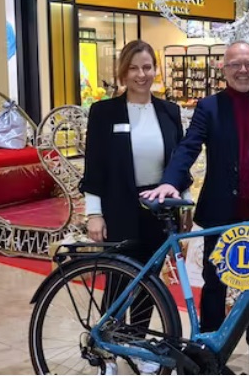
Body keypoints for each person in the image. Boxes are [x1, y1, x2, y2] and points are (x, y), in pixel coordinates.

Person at [142, 41, 249, 371]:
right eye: (235, 64)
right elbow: (189, 146)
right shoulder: (209, 107)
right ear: (223, 70)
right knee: (214, 281)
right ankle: (208, 347)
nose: (243, 70)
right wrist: (171, 179)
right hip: (220, 212)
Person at [79, 40, 189, 364]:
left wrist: (182, 201)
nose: (142, 75)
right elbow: (94, 167)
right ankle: (106, 345)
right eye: (134, 68)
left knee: (149, 283)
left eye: (147, 67)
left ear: (155, 69)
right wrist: (94, 213)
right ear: (123, 72)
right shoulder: (104, 112)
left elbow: (179, 163)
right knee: (119, 279)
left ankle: (138, 345)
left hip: (158, 208)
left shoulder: (169, 111)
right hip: (119, 207)